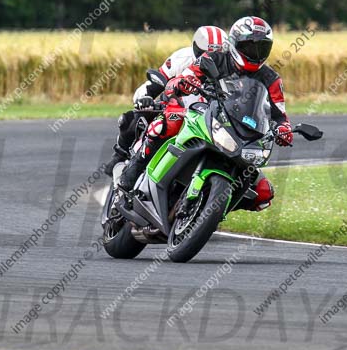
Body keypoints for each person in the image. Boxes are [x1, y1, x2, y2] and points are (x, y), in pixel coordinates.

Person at [119, 16, 292, 211]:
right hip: (195, 111)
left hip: (234, 127)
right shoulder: (215, 58)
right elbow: (187, 75)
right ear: (235, 43)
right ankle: (130, 176)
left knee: (263, 192)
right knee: (168, 122)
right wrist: (181, 83)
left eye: (262, 48)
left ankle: (210, 210)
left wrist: (284, 129)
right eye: (249, 47)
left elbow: (279, 114)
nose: (256, 53)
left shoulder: (271, 78)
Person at [103, 25, 228, 176]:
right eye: (205, 54)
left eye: (217, 56)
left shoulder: (229, 71)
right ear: (196, 48)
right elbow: (152, 85)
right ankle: (122, 156)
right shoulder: (182, 58)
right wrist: (145, 98)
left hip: (208, 120)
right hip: (173, 110)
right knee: (131, 119)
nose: (210, 60)